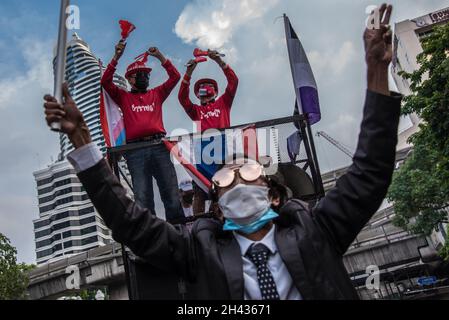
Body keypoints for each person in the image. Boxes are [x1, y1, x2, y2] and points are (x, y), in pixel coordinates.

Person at [44, 4, 399, 299]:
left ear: (273, 195)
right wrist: (82, 141)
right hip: (147, 152)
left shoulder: (316, 229)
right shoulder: (198, 251)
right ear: (218, 205)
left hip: (215, 145)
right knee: (148, 205)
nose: (237, 177)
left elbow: (370, 173)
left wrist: (377, 71)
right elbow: (127, 221)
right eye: (227, 178)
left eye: (248, 171)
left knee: (169, 196)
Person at [101, 40, 184, 221]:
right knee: (143, 197)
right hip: (135, 151)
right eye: (140, 74)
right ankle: (152, 236)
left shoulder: (156, 93)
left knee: (171, 192)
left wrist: (160, 56)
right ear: (130, 79)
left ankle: (180, 232)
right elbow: (105, 81)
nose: (144, 77)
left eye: (146, 74)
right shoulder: (123, 97)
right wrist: (116, 57)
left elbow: (175, 77)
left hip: (159, 145)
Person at [178, 50, 239, 215]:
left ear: (215, 91)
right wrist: (188, 73)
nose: (205, 89)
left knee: (226, 185)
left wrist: (219, 61)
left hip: (224, 151)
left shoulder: (224, 103)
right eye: (201, 88)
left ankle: (228, 215)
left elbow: (233, 81)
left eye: (209, 87)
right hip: (204, 154)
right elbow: (182, 98)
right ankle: (199, 223)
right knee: (200, 189)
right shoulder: (196, 110)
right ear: (197, 94)